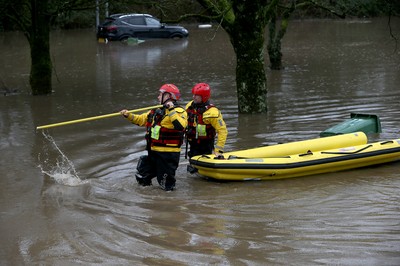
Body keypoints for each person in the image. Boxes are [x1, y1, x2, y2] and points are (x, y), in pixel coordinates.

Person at [120, 84, 187, 191]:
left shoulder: (179, 111)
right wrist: (129, 115)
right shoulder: (156, 110)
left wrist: (171, 110)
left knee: (166, 185)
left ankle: (169, 202)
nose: (158, 97)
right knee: (142, 174)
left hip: (168, 155)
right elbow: (141, 120)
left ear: (168, 96)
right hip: (153, 152)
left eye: (160, 94)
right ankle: (147, 196)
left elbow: (181, 126)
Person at [185, 83, 228, 170]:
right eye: (193, 94)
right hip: (192, 143)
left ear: (204, 97)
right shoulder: (189, 106)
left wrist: (218, 150)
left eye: (197, 96)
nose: (194, 97)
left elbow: (222, 131)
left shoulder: (213, 113)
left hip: (206, 145)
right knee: (192, 167)